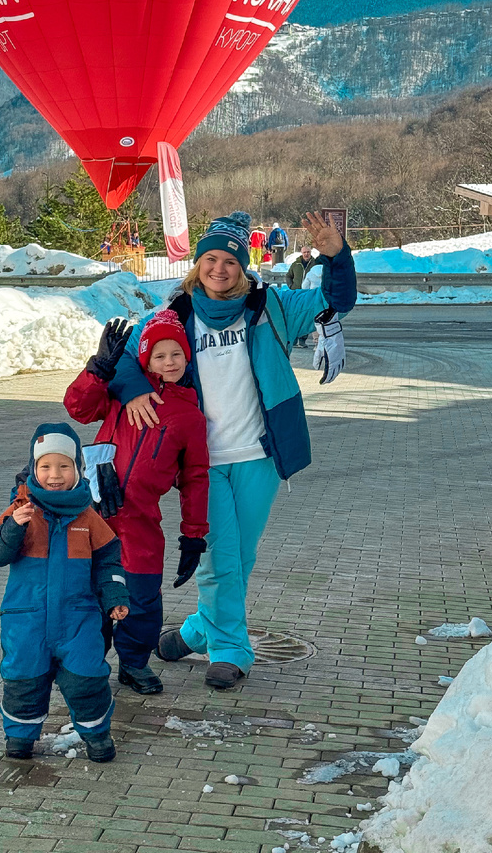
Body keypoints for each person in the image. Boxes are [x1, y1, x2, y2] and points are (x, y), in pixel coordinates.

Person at [107, 210, 356, 689]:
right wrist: (136, 388)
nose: (219, 269)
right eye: (210, 259)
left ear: (244, 267)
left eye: (230, 262)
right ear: (197, 263)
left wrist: (336, 256)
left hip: (260, 455)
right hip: (201, 462)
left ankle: (198, 629)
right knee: (217, 558)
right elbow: (124, 360)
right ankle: (231, 650)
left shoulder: (272, 308)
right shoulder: (172, 316)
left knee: (239, 558)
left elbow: (336, 300)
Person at [63, 311, 209, 696]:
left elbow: (194, 477)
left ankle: (133, 663)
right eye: (159, 356)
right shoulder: (120, 392)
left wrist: (194, 535)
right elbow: (77, 407)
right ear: (145, 359)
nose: (169, 363)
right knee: (89, 595)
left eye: (176, 354)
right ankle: (86, 665)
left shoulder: (189, 415)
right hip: (95, 514)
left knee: (141, 597)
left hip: (140, 520)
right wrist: (98, 370)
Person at [0, 423, 130, 762]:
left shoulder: (88, 517)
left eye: (64, 466)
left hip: (78, 618)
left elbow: (109, 561)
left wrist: (115, 597)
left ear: (78, 469)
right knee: (23, 680)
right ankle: (19, 738)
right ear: (33, 470)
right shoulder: (20, 511)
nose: (55, 475)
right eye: (46, 466)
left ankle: (97, 736)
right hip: (25, 618)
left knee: (87, 680)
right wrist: (12, 528)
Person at [286, 246, 319, 347]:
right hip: (297, 294)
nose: (306, 254)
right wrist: (291, 286)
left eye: (308, 252)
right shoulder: (296, 264)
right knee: (295, 317)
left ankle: (302, 340)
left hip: (308, 295)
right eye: (304, 252)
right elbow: (288, 276)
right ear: (301, 253)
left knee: (306, 318)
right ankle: (294, 340)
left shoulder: (315, 264)